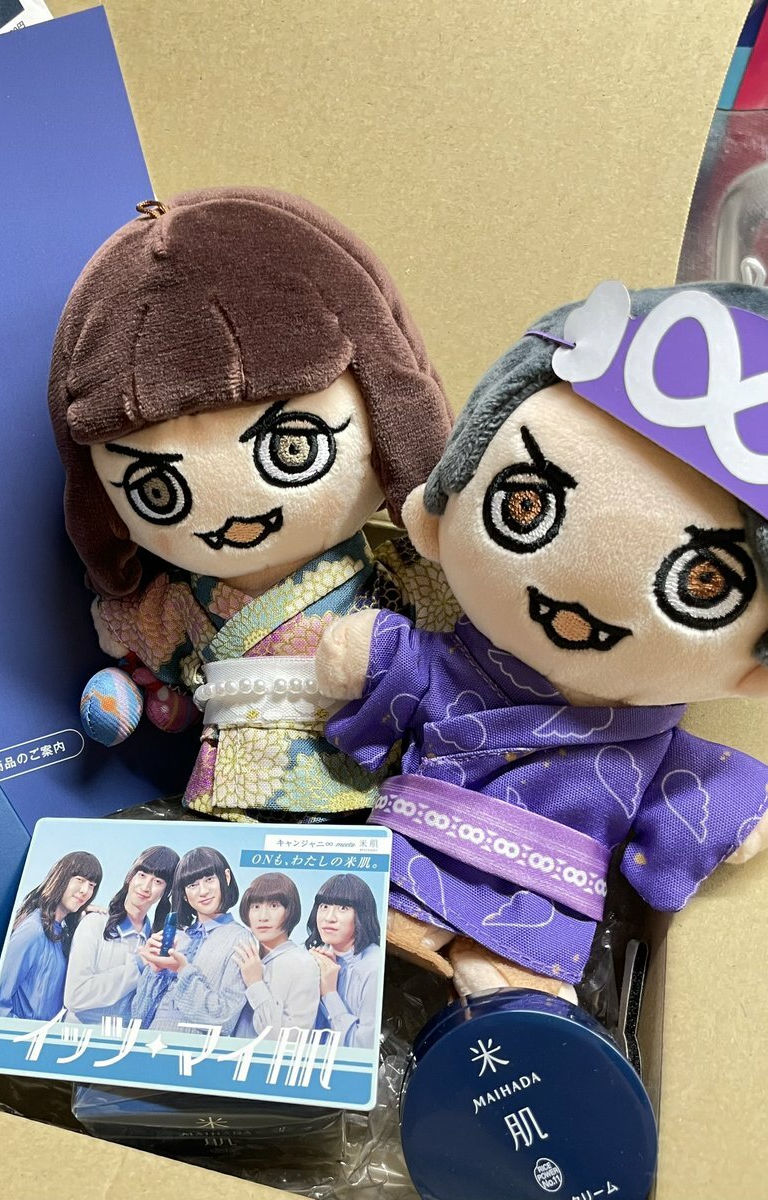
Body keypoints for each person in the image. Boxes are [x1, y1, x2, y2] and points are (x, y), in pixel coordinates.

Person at [318, 281, 768, 1001]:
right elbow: (407, 662)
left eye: (703, 583)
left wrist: (737, 806)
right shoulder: (459, 662)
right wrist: (372, 650)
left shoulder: (648, 737)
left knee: (509, 1002)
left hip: (543, 898)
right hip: (413, 850)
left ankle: (506, 989)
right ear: (444, 505)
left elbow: (693, 785)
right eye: (525, 505)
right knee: (359, 945)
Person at [47, 186, 455, 821]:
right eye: (158, 490)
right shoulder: (185, 602)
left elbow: (451, 634)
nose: (233, 515)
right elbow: (142, 638)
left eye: (293, 448)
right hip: (230, 793)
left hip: (371, 778)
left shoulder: (392, 579)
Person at [131, 846, 252, 1034]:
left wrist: (183, 970)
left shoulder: (240, 938)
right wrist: (155, 972)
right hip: (148, 1045)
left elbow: (224, 1020)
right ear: (184, 895)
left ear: (226, 877)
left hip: (191, 1049)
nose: (203, 891)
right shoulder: (176, 937)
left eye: (209, 879)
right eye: (192, 885)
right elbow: (138, 1017)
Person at [64, 845, 180, 1024]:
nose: (145, 887)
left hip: (125, 1038)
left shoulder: (156, 942)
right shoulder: (95, 923)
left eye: (158, 881)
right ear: (130, 876)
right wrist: (138, 964)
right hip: (80, 1036)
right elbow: (75, 996)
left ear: (167, 891)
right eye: (142, 875)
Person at [0, 850, 102, 1020]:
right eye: (80, 880)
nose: (85, 890)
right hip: (23, 1034)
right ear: (61, 878)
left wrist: (85, 923)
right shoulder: (33, 930)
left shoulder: (62, 933)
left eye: (92, 885)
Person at [231, 872, 319, 1039]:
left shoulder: (303, 964)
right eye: (256, 906)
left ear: (290, 910)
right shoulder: (245, 956)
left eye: (273, 906)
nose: (263, 917)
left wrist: (255, 984)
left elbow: (289, 1040)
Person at [305, 873, 382, 1050]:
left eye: (343, 908)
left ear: (362, 914)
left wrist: (329, 993)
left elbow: (362, 1048)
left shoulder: (374, 966)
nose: (329, 917)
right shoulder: (314, 957)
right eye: (324, 906)